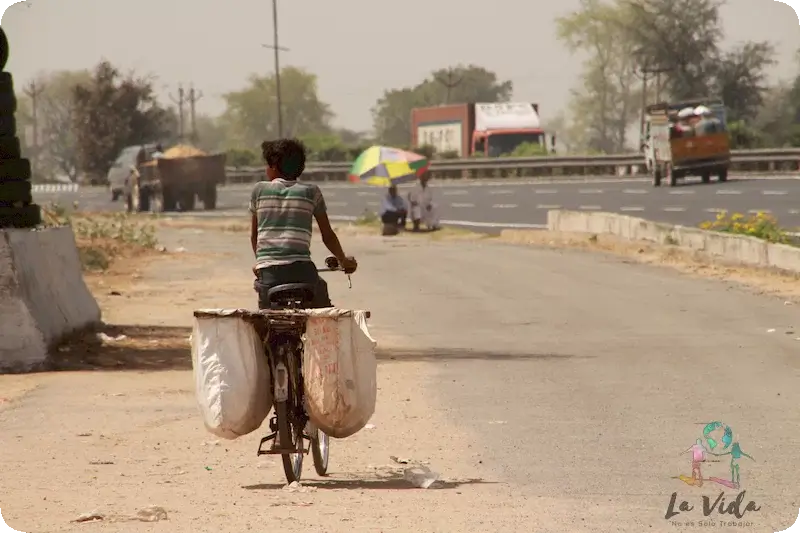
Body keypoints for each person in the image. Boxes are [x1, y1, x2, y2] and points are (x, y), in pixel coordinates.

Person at [250, 138, 357, 309]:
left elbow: (255, 236)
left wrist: (261, 262)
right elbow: (327, 236)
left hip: (269, 274)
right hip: (303, 271)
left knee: (264, 319)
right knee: (323, 305)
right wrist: (343, 260)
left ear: (274, 167)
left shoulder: (259, 190)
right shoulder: (311, 192)